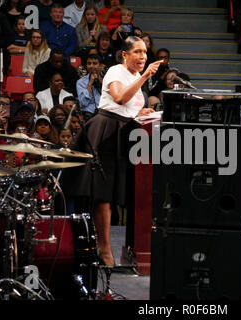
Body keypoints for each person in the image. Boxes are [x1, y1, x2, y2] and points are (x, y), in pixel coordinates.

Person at [73, 36, 162, 266]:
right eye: (138, 52)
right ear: (125, 54)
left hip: (125, 133)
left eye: (145, 52)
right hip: (106, 131)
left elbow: (129, 105)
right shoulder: (115, 71)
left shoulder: (134, 77)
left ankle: (121, 249)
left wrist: (140, 113)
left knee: (116, 192)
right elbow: (120, 97)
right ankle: (104, 250)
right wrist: (145, 76)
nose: (143, 57)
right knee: (103, 194)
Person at [76, 53, 102, 122]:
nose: (91, 66)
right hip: (87, 115)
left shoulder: (105, 80)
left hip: (102, 114)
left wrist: (101, 84)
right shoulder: (80, 82)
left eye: (94, 63)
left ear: (100, 66)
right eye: (89, 63)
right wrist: (90, 84)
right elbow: (83, 103)